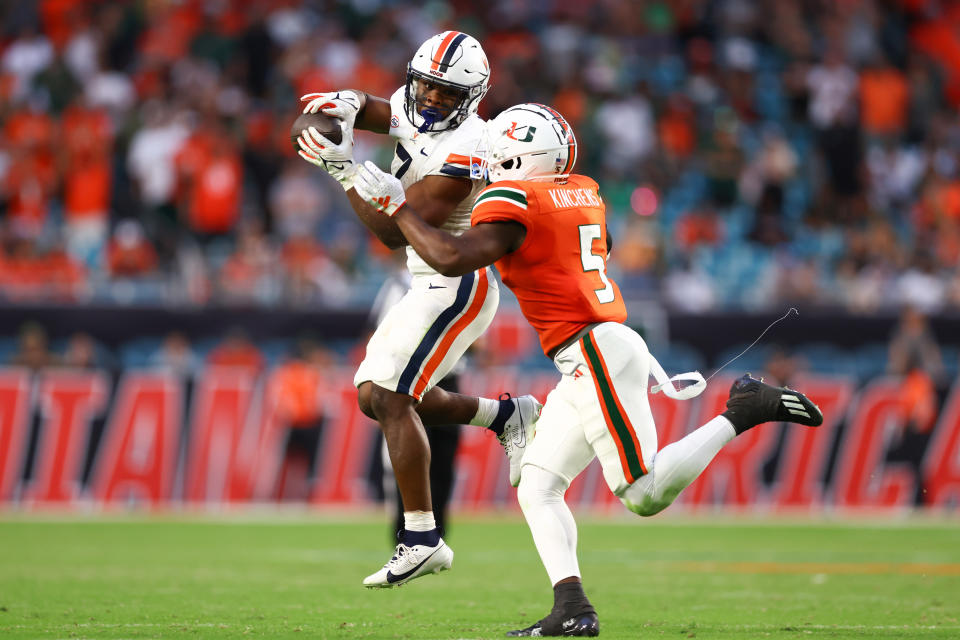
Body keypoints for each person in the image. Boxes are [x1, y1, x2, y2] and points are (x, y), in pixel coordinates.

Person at [351, 102, 825, 637]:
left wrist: (399, 209)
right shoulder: (582, 189)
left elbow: (451, 257)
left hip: (594, 348)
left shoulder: (516, 198)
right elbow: (599, 243)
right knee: (537, 485)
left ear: (517, 160)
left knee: (642, 493)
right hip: (591, 350)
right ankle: (572, 607)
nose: (489, 160)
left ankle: (741, 410)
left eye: (499, 153)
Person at [295, 32, 542, 588]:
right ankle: (504, 416)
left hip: (457, 281)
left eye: (445, 91)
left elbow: (393, 230)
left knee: (385, 395)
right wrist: (349, 104)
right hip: (426, 281)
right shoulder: (418, 104)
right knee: (375, 396)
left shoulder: (470, 146)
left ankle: (422, 537)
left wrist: (344, 171)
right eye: (425, 84)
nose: (429, 98)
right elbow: (385, 111)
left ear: (471, 97)